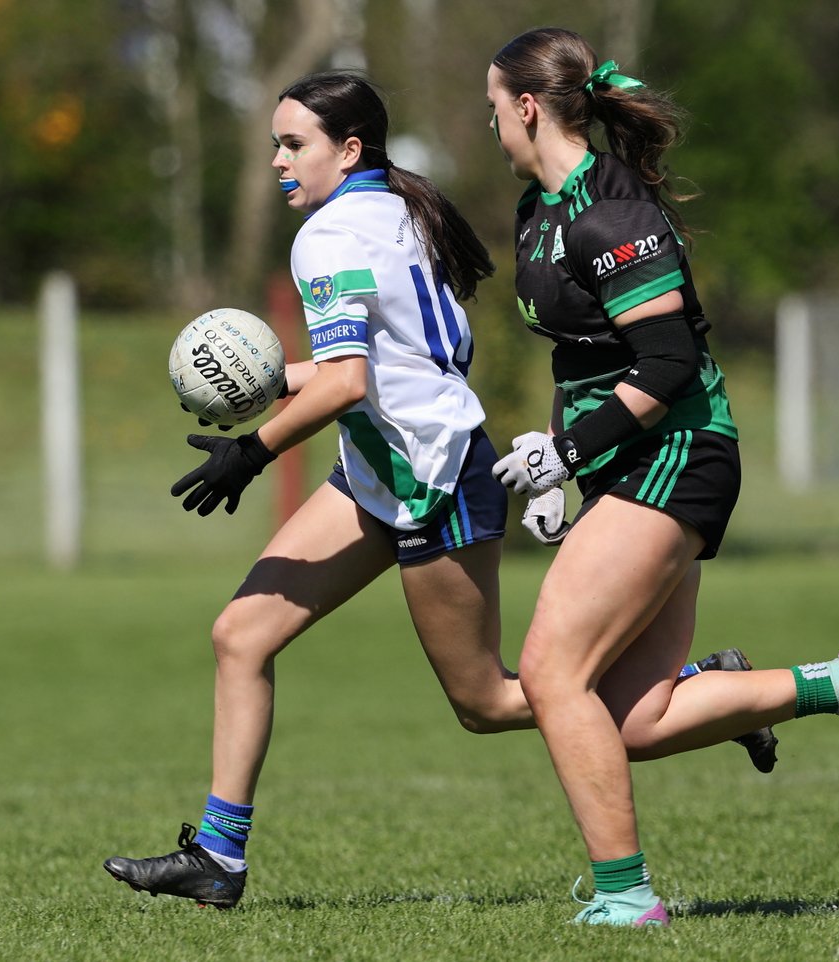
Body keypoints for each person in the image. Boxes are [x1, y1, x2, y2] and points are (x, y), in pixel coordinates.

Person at [101, 70, 776, 911]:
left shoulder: (328, 237)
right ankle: (218, 856)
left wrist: (253, 452)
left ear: (348, 151)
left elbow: (349, 384)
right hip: (381, 468)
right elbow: (394, 363)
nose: (278, 160)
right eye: (275, 142)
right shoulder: (397, 209)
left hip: (432, 477)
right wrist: (268, 380)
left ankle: (699, 692)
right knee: (242, 635)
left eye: (293, 144)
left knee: (489, 702)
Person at [485, 27, 839, 928]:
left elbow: (667, 361)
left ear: (528, 107)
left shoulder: (612, 213)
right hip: (629, 460)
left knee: (549, 672)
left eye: (492, 107)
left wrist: (564, 456)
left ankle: (626, 898)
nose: (489, 126)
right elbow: (586, 362)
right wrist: (569, 464)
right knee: (635, 720)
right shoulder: (540, 210)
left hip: (681, 455)